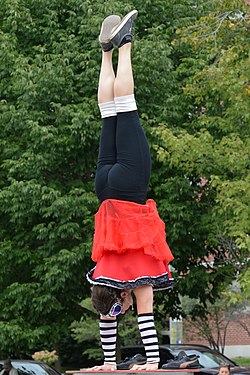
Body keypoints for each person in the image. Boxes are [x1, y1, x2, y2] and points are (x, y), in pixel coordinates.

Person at [86, 9, 174, 371]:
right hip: (104, 188)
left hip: (126, 188)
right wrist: (108, 364)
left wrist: (151, 363)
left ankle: (124, 44)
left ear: (119, 298)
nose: (123, 306)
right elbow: (107, 316)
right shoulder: (100, 274)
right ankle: (106, 51)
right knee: (108, 112)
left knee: (126, 109)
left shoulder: (130, 281)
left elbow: (144, 318)